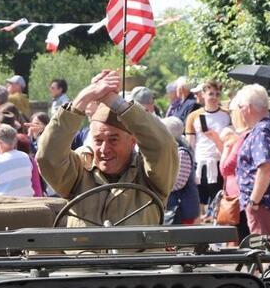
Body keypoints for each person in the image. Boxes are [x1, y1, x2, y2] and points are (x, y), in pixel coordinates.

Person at [36, 69, 177, 226]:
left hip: (138, 251)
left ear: (132, 141)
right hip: (83, 251)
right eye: (98, 140)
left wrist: (114, 101)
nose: (104, 149)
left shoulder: (150, 175)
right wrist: (83, 99)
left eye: (113, 140)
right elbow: (48, 157)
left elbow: (163, 146)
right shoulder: (80, 170)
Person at [233, 84, 270, 248]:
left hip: (263, 202)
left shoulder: (262, 132)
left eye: (240, 107)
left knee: (265, 252)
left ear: (249, 108)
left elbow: (265, 167)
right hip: (269, 200)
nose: (240, 111)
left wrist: (253, 201)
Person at [184, 80, 231, 211]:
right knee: (200, 202)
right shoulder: (194, 116)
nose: (214, 97)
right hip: (200, 163)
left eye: (217, 94)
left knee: (218, 200)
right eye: (211, 94)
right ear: (203, 95)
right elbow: (190, 143)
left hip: (219, 162)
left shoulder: (226, 115)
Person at [163, 116, 199, 225]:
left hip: (182, 208)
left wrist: (159, 187)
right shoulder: (172, 150)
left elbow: (179, 183)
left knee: (183, 240)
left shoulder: (181, 152)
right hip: (174, 206)